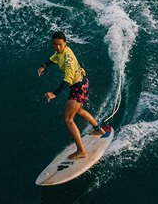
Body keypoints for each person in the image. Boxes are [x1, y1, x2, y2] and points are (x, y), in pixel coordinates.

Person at [37, 31, 108, 159]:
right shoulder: (60, 52)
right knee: (79, 110)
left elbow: (67, 81)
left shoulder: (68, 59)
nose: (58, 47)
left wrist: (54, 93)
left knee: (68, 120)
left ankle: (82, 151)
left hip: (78, 86)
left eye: (60, 45)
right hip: (82, 82)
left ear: (66, 44)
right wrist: (43, 66)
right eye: (55, 45)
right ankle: (98, 129)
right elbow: (53, 58)